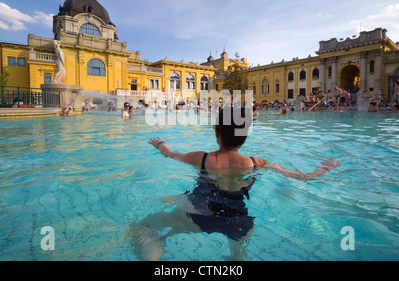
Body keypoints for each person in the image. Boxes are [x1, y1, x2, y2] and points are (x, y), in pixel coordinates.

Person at [129, 107, 340, 261]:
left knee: (145, 225)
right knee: (238, 257)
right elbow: (303, 177)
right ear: (245, 136)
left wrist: (160, 144)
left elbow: (170, 155)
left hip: (198, 216)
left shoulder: (201, 158)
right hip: (240, 224)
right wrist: (326, 167)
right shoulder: (257, 163)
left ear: (215, 132)